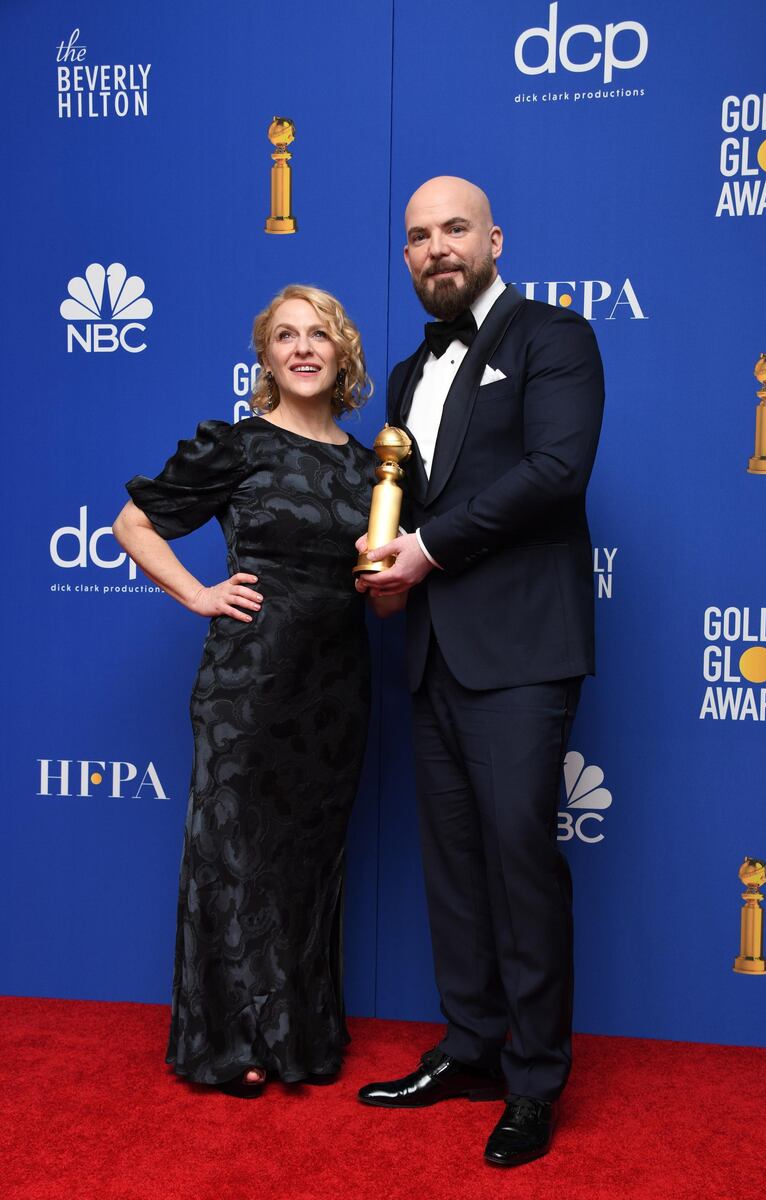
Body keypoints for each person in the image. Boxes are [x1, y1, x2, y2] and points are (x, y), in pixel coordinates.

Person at [355, 177, 604, 1165]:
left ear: (493, 237)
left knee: (517, 863)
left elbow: (554, 473)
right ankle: (468, 1049)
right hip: (430, 652)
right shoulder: (409, 370)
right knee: (453, 868)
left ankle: (534, 1079)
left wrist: (426, 552)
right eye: (416, 237)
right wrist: (380, 562)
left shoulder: (553, 338)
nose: (434, 249)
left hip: (522, 652)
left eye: (452, 229)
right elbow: (396, 504)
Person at [113, 284, 379, 1098]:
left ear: (343, 354)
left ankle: (299, 1031)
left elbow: (388, 588)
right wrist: (198, 593)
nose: (303, 348)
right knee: (235, 858)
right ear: (265, 356)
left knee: (307, 862)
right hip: (247, 686)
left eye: (320, 335)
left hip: (334, 691)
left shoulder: (374, 467)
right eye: (286, 336)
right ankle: (233, 1041)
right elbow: (134, 523)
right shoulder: (238, 445)